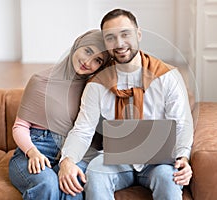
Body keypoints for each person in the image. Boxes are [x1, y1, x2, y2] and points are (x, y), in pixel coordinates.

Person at [59, 9, 193, 200]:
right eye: (111, 38)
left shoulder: (168, 77)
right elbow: (83, 129)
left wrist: (183, 158)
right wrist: (67, 160)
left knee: (169, 180)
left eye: (125, 34)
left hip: (158, 162)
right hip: (115, 160)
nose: (119, 44)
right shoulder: (97, 84)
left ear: (138, 34)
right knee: (96, 174)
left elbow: (182, 123)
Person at [8, 29, 109, 200]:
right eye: (88, 51)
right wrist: (32, 152)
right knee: (47, 183)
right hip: (35, 149)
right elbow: (20, 126)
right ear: (78, 45)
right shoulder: (40, 80)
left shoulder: (93, 90)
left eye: (97, 60)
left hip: (73, 154)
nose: (88, 61)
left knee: (72, 185)